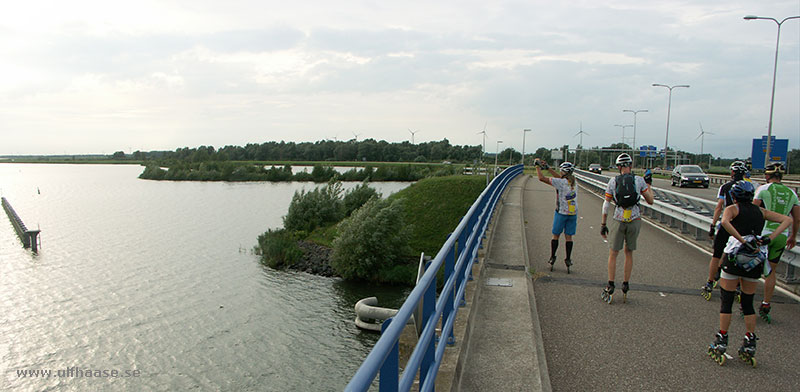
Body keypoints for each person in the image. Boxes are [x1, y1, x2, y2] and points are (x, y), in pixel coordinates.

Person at [707, 180, 791, 366]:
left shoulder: (733, 208)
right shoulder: (760, 212)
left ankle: (722, 339)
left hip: (735, 257)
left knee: (727, 300)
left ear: (735, 196)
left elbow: (725, 222)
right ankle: (750, 341)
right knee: (747, 302)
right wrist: (769, 239)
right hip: (755, 259)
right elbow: (788, 220)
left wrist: (741, 240)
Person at [600, 153, 654, 303]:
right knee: (628, 252)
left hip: (618, 218)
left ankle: (610, 284)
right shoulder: (639, 181)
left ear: (618, 167)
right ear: (630, 165)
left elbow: (606, 204)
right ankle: (625, 284)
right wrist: (649, 185)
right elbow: (650, 201)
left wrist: (603, 224)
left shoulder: (613, 181)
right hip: (635, 219)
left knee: (613, 253)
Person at [752, 162, 800, 323]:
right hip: (781, 236)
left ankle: (745, 299)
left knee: (752, 267)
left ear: (767, 175)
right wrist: (792, 236)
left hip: (763, 234)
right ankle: (766, 304)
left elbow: (753, 211)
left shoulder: (763, 189)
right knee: (770, 271)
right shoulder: (792, 193)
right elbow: (797, 218)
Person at [701, 161, 748, 300]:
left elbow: (719, 207)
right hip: (742, 227)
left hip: (726, 225)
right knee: (739, 255)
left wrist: (713, 224)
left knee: (717, 255)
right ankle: (738, 286)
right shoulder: (750, 186)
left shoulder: (725, 187)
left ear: (732, 172)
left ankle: (710, 282)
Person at [534, 159, 578, 273]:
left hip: (561, 213)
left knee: (556, 235)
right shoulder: (573, 182)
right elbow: (559, 177)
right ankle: (568, 259)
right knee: (569, 237)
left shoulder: (561, 183)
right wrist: (548, 168)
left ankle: (552, 257)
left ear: (563, 172)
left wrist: (537, 167)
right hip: (572, 214)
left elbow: (541, 178)